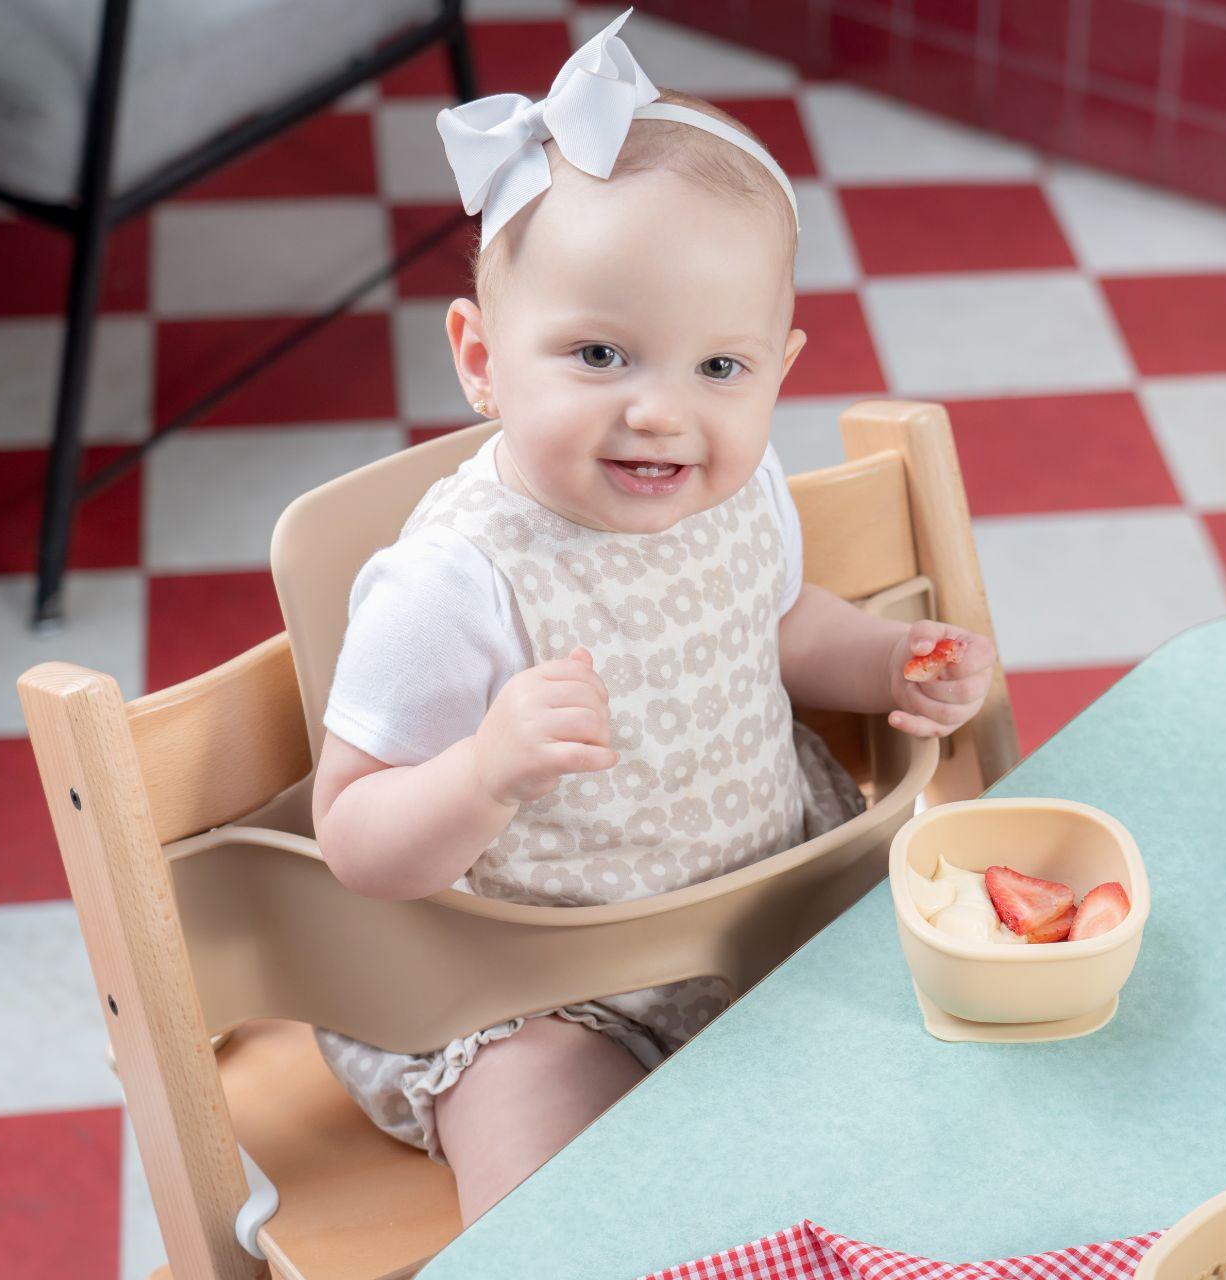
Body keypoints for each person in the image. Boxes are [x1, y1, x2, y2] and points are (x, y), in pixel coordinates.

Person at [308, 10, 996, 1227]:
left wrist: (888, 657)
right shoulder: (453, 581)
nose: (661, 415)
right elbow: (356, 841)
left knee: (957, 1091)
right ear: (480, 356)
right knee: (563, 1210)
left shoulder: (742, 494)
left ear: (777, 367)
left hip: (769, 908)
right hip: (538, 982)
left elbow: (777, 630)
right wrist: (483, 769)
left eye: (716, 370)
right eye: (598, 354)